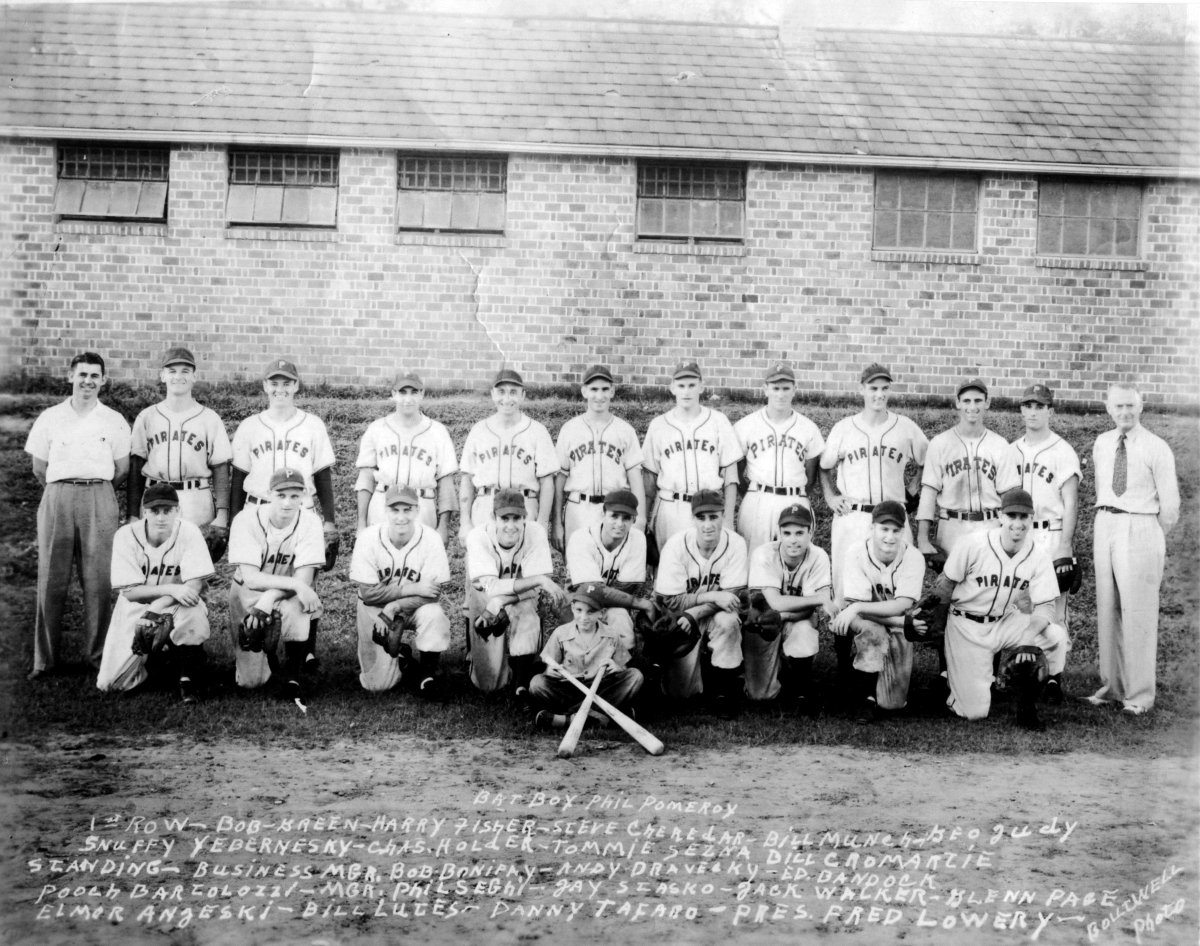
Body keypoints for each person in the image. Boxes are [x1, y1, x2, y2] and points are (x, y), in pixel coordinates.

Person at [25, 351, 131, 679]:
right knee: (51, 580)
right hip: (57, 496)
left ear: (103, 380)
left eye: (94, 376)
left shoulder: (113, 419)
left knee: (98, 581)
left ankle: (98, 657)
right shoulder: (50, 417)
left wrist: (92, 489)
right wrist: (65, 488)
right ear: (70, 376)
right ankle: (45, 661)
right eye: (82, 375)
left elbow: (121, 469)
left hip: (99, 496)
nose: (87, 381)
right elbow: (39, 467)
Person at [927, 488, 1069, 730]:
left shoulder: (1038, 554)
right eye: (1012, 516)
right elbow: (945, 584)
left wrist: (1027, 636)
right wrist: (935, 623)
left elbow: (1046, 606)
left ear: (1031, 519)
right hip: (966, 626)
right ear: (1001, 517)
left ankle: (1026, 701)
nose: (1017, 523)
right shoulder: (973, 544)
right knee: (974, 713)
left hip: (1004, 620)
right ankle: (957, 686)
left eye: (1023, 517)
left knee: (1055, 636)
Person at [230, 358, 337, 668]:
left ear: (296, 386)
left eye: (286, 382)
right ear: (265, 386)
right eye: (274, 383)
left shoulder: (312, 424)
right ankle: (260, 637)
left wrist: (329, 520)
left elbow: (323, 475)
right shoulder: (250, 425)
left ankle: (303, 650)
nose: (280, 389)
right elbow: (238, 476)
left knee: (303, 577)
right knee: (256, 579)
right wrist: (235, 518)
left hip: (299, 509)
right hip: (257, 508)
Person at [1085, 383, 1179, 716]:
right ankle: (1112, 687)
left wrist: (1146, 534)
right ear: (1108, 409)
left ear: (1141, 407)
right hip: (1106, 523)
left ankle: (1139, 696)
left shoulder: (1157, 447)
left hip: (1140, 526)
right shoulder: (1102, 443)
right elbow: (1102, 488)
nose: (1124, 412)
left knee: (1137, 613)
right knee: (1108, 609)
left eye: (1130, 406)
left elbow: (1170, 508)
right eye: (1118, 406)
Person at [96, 484, 215, 701]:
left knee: (193, 611)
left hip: (177, 603)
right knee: (111, 684)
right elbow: (130, 593)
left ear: (178, 510)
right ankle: (158, 662)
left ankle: (188, 675)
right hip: (136, 607)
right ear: (144, 512)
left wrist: (160, 605)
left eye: (167, 510)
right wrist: (170, 588)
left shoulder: (189, 531)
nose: (161, 517)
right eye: (154, 511)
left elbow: (195, 584)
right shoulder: (126, 535)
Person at [820, 363, 927, 600]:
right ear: (862, 390)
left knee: (894, 581)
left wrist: (915, 484)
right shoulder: (844, 428)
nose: (879, 394)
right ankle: (844, 633)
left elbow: (928, 459)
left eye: (884, 388)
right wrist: (830, 496)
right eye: (873, 388)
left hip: (893, 514)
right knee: (845, 583)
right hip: (853, 514)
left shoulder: (906, 427)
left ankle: (895, 631)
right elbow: (824, 466)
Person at [1007, 382, 1081, 702]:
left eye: (1040, 406)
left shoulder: (1062, 450)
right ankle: (1017, 673)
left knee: (1054, 607)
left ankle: (1054, 678)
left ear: (1051, 410)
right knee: (1017, 603)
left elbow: (1072, 502)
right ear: (1021, 409)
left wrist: (1065, 545)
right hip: (1018, 533)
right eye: (1028, 405)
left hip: (1049, 533)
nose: (1033, 411)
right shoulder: (1011, 450)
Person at [226, 467, 326, 701]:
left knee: (299, 605)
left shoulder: (311, 522)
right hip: (247, 593)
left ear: (303, 496)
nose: (287, 503)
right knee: (251, 681)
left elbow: (304, 581)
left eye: (294, 496)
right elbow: (251, 578)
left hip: (287, 593)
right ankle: (267, 659)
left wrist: (273, 596)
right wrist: (297, 586)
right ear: (269, 494)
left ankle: (293, 676)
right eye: (281, 495)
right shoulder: (246, 519)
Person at [652, 490, 749, 717]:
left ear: (723, 516)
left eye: (713, 517)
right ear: (692, 518)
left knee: (728, 620)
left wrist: (695, 613)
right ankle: (697, 669)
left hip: (710, 615)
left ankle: (723, 691)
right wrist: (711, 597)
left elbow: (732, 596)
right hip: (680, 617)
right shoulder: (676, 545)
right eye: (701, 517)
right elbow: (670, 600)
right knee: (681, 694)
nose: (707, 524)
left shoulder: (735, 543)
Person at [350, 485, 452, 698]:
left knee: (434, 614)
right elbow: (368, 594)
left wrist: (395, 605)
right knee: (377, 685)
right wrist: (413, 588)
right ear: (385, 510)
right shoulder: (368, 538)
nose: (401, 517)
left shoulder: (431, 538)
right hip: (374, 609)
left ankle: (427, 677)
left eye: (407, 510)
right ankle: (403, 659)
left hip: (412, 607)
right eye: (395, 510)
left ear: (417, 510)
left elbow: (432, 594)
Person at [464, 487, 568, 695]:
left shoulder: (535, 531)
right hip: (485, 598)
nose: (511, 525)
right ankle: (484, 659)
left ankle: (521, 679)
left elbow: (536, 589)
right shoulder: (477, 536)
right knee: (489, 684)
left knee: (527, 614)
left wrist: (501, 601)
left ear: (525, 517)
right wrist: (535, 580)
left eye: (516, 518)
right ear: (494, 517)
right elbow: (490, 587)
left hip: (520, 598)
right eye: (505, 518)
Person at [829, 501, 925, 722]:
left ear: (903, 531)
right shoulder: (855, 552)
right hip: (865, 620)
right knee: (874, 633)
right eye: (884, 529)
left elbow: (901, 604)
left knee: (892, 703)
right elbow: (858, 609)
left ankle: (861, 672)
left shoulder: (913, 557)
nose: (890, 537)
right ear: (872, 528)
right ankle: (864, 697)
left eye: (896, 530)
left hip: (889, 617)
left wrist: (859, 606)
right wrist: (902, 623)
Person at [127, 347, 232, 541]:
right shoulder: (147, 417)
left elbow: (220, 467)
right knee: (155, 561)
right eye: (172, 371)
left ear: (194, 376)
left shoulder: (209, 418)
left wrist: (223, 513)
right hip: (155, 495)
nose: (178, 376)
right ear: (163, 376)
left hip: (195, 497)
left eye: (185, 371)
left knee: (193, 563)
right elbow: (136, 466)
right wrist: (133, 514)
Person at [642, 361, 742, 553]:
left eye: (691, 385)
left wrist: (728, 519)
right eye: (681, 386)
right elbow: (649, 479)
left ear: (701, 387)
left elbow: (731, 477)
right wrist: (644, 520)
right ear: (672, 388)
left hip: (708, 509)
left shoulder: (718, 421)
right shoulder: (659, 425)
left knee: (708, 570)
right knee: (670, 570)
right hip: (671, 507)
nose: (686, 391)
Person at [916, 377, 1018, 561]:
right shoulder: (940, 443)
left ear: (987, 403)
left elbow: (1010, 496)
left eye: (978, 400)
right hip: (952, 527)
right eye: (967, 401)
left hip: (990, 525)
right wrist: (923, 539)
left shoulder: (1000, 445)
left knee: (989, 586)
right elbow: (928, 493)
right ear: (957, 403)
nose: (972, 406)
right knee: (952, 586)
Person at [354, 370, 457, 546]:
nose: (407, 398)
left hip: (422, 505)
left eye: (414, 392)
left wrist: (443, 527)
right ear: (393, 394)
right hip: (383, 504)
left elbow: (445, 482)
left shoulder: (437, 431)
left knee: (420, 568)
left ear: (422, 394)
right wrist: (361, 523)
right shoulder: (377, 429)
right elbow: (365, 479)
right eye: (402, 392)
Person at [745, 504, 832, 711]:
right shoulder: (764, 553)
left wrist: (783, 615)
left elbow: (808, 611)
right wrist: (818, 599)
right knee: (760, 696)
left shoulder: (818, 556)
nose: (793, 539)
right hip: (762, 623)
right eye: (787, 533)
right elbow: (774, 603)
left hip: (795, 619)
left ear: (811, 532)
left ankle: (800, 688)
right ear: (779, 533)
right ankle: (771, 671)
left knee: (804, 629)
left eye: (800, 533)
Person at [552, 364, 646, 550]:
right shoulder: (570, 429)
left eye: (604, 389)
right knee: (578, 570)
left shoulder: (625, 430)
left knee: (614, 570)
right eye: (594, 389)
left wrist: (641, 518)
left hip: (615, 510)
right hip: (579, 508)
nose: (599, 395)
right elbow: (559, 480)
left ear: (612, 391)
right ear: (584, 391)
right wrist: (556, 523)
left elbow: (636, 479)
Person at [459, 368, 558, 542]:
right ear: (492, 394)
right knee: (482, 564)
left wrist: (542, 522)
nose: (507, 399)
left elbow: (547, 481)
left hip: (524, 506)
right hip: (486, 505)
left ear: (523, 395)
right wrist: (465, 522)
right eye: (501, 392)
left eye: (513, 392)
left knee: (524, 566)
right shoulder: (479, 430)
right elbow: (467, 478)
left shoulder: (537, 431)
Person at [734, 361, 824, 552]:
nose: (781, 394)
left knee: (795, 564)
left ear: (794, 389)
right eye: (775, 388)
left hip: (795, 498)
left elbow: (811, 474)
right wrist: (752, 493)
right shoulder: (746, 425)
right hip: (758, 500)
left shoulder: (808, 428)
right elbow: (737, 470)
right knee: (753, 561)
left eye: (786, 388)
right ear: (765, 389)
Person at [530, 584, 644, 730]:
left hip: (600, 690)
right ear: (572, 608)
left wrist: (618, 668)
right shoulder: (560, 633)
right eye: (579, 610)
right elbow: (549, 668)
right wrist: (550, 671)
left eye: (591, 612)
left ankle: (567, 719)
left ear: (601, 613)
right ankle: (604, 718)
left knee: (635, 676)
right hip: (569, 689)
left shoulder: (611, 634)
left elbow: (623, 668)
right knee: (537, 683)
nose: (584, 617)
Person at [564, 489, 654, 651]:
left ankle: (621, 671)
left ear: (634, 519)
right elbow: (590, 590)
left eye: (626, 518)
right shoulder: (581, 538)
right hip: (576, 603)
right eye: (614, 516)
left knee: (621, 621)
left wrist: (612, 597)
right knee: (580, 648)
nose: (619, 524)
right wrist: (642, 604)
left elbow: (626, 588)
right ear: (603, 513)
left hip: (611, 605)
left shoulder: (637, 538)